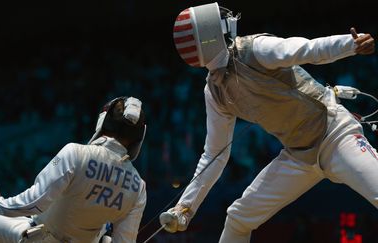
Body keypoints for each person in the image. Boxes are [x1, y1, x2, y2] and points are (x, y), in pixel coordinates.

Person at [159, 2, 376, 243]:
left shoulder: (254, 48)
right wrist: (184, 207)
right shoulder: (215, 92)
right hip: (298, 157)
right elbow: (214, 155)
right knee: (239, 218)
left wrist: (350, 44)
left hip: (335, 134)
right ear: (212, 31)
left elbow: (306, 49)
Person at [0, 96, 147, 243]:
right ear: (139, 137)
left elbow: (35, 202)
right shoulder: (138, 187)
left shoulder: (76, 152)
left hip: (36, 238)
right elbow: (125, 241)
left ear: (103, 121)